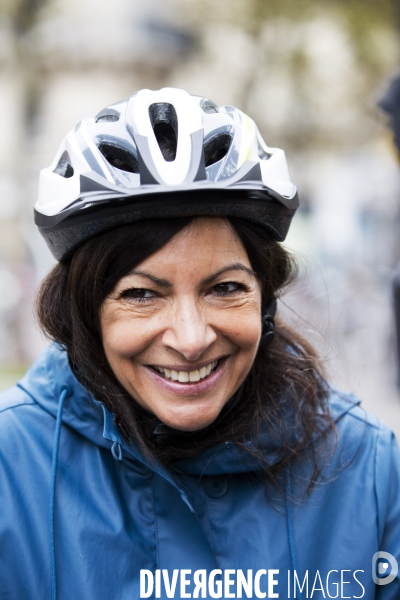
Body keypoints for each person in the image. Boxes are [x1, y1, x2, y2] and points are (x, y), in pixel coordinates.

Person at [0, 87, 399, 600]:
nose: (191, 340)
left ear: (266, 298)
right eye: (141, 294)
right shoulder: (11, 470)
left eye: (226, 288)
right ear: (82, 313)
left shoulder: (369, 471)